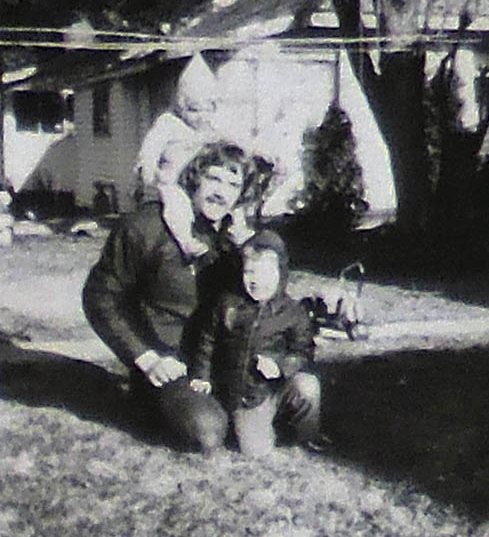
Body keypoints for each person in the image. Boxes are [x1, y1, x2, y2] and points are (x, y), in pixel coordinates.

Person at [83, 141, 252, 454]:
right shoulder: (145, 226)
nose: (221, 192)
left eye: (233, 184)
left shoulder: (232, 236)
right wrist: (147, 359)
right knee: (208, 431)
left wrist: (248, 249)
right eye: (214, 179)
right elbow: (99, 297)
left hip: (217, 361)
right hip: (168, 364)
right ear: (194, 177)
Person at [189, 230, 321, 457]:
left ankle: (304, 437)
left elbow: (303, 351)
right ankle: (255, 426)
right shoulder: (228, 304)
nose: (255, 281)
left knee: (308, 386)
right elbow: (207, 341)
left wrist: (280, 366)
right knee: (256, 451)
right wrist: (201, 375)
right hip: (245, 397)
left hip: (276, 388)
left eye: (264, 274)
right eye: (249, 272)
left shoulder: (292, 312)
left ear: (280, 274)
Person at [135, 53, 251, 257]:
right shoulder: (170, 123)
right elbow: (151, 145)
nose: (201, 117)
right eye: (194, 110)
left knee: (231, 197)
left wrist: (253, 149)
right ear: (181, 105)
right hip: (173, 180)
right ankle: (186, 240)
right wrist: (148, 164)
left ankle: (239, 231)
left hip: (200, 181)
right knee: (177, 204)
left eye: (208, 110)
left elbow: (233, 137)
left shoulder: (211, 125)